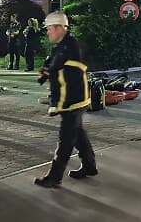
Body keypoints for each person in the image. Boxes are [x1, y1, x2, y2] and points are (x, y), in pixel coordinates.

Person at [34, 11, 96, 188]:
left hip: (72, 102)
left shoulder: (71, 48)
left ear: (60, 28)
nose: (47, 32)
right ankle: (90, 166)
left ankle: (54, 177)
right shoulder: (61, 46)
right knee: (78, 136)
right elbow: (53, 64)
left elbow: (68, 78)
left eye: (49, 29)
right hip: (74, 101)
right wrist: (46, 72)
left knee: (66, 140)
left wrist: (58, 105)